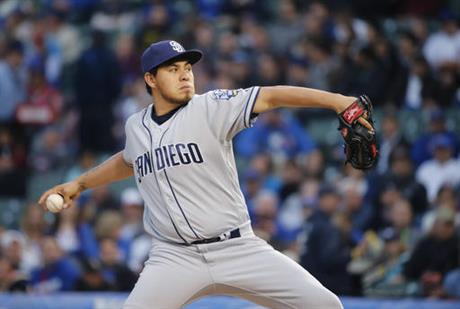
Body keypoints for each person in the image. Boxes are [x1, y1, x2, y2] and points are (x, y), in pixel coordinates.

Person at [39, 40, 374, 309]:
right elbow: (128, 161)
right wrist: (80, 183)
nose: (186, 75)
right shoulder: (135, 125)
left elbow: (271, 97)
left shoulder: (212, 106)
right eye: (173, 69)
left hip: (237, 248)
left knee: (325, 305)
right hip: (174, 257)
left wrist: (337, 101)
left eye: (188, 68)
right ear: (150, 79)